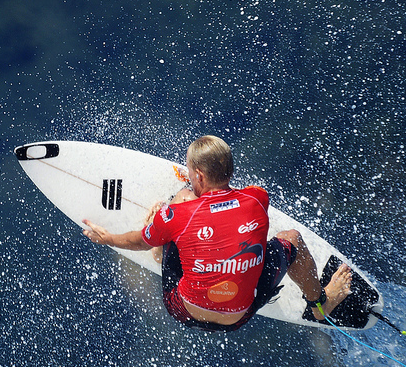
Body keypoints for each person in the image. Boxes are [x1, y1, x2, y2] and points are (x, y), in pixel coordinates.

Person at [82, 135, 352, 332]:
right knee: (292, 237)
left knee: (181, 199)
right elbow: (232, 202)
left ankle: (161, 247)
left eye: (189, 171)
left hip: (183, 309)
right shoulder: (258, 199)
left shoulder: (179, 214)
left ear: (199, 176)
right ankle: (320, 305)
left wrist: (107, 238)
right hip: (240, 316)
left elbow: (139, 240)